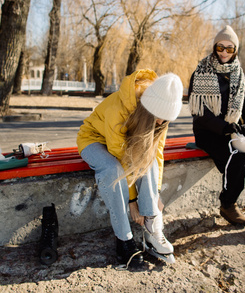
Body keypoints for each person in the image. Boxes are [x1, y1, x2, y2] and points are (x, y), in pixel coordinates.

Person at [77, 69, 183, 268]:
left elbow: (157, 153)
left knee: (149, 157)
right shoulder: (119, 109)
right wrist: (132, 201)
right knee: (112, 171)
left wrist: (155, 193)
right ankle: (124, 240)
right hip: (94, 140)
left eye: (166, 119)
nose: (161, 122)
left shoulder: (162, 113)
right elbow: (122, 159)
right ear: (149, 109)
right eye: (159, 117)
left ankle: (153, 227)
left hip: (124, 144)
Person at [188, 25, 245, 249]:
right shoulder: (201, 72)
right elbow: (200, 115)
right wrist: (225, 129)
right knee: (236, 159)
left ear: (235, 50)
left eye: (229, 48)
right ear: (214, 47)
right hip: (210, 133)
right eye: (220, 47)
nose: (224, 52)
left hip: (235, 133)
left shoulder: (240, 75)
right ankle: (228, 204)